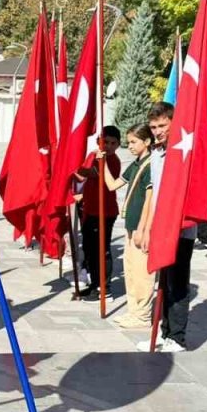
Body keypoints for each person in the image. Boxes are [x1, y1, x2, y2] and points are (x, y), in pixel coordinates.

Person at [135, 102, 195, 353]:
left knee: (177, 284)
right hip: (161, 227)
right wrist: (147, 228)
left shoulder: (184, 151)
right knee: (164, 281)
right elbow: (155, 195)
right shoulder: (157, 154)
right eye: (153, 127)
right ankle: (163, 331)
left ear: (173, 122)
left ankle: (177, 337)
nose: (158, 131)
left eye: (162, 125)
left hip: (180, 229)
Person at [94, 124, 154, 328]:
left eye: (134, 142)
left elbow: (150, 199)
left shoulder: (151, 164)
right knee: (130, 270)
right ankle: (133, 311)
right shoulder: (136, 164)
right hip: (130, 225)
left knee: (142, 273)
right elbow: (112, 185)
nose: (130, 146)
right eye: (129, 142)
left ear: (147, 142)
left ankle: (143, 314)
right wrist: (102, 164)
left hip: (140, 226)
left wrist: (143, 228)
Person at [73, 125, 122, 299]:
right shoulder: (93, 156)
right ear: (98, 142)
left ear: (117, 145)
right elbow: (83, 176)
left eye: (112, 143)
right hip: (90, 209)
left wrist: (73, 163)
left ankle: (104, 287)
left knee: (102, 249)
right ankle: (94, 283)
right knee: (89, 249)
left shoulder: (113, 161)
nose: (108, 146)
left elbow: (92, 173)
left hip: (105, 212)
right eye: (104, 142)